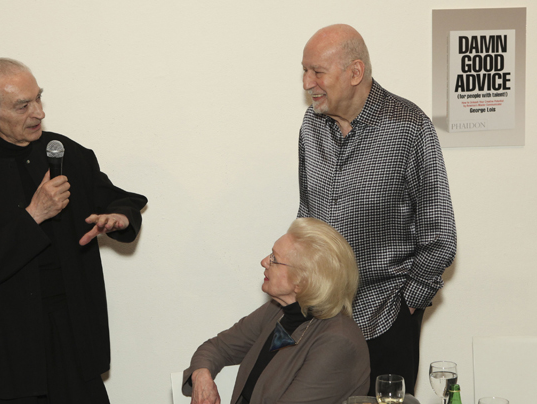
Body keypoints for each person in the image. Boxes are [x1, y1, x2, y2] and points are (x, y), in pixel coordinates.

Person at [0, 58, 147, 404]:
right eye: (23, 105)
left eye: (38, 99)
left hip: (74, 339)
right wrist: (33, 215)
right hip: (9, 353)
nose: (39, 113)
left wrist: (119, 218)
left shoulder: (64, 152)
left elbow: (119, 200)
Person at [298, 24, 456, 395]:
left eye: (317, 71)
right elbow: (307, 218)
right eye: (304, 71)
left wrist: (409, 306)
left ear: (355, 72)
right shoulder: (311, 127)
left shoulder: (409, 127)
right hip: (322, 320)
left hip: (386, 319)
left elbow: (440, 234)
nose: (307, 83)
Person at [182, 218, 370, 404]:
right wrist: (201, 375)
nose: (264, 262)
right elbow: (217, 348)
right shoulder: (277, 311)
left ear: (302, 281)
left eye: (274, 259)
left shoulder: (337, 342)